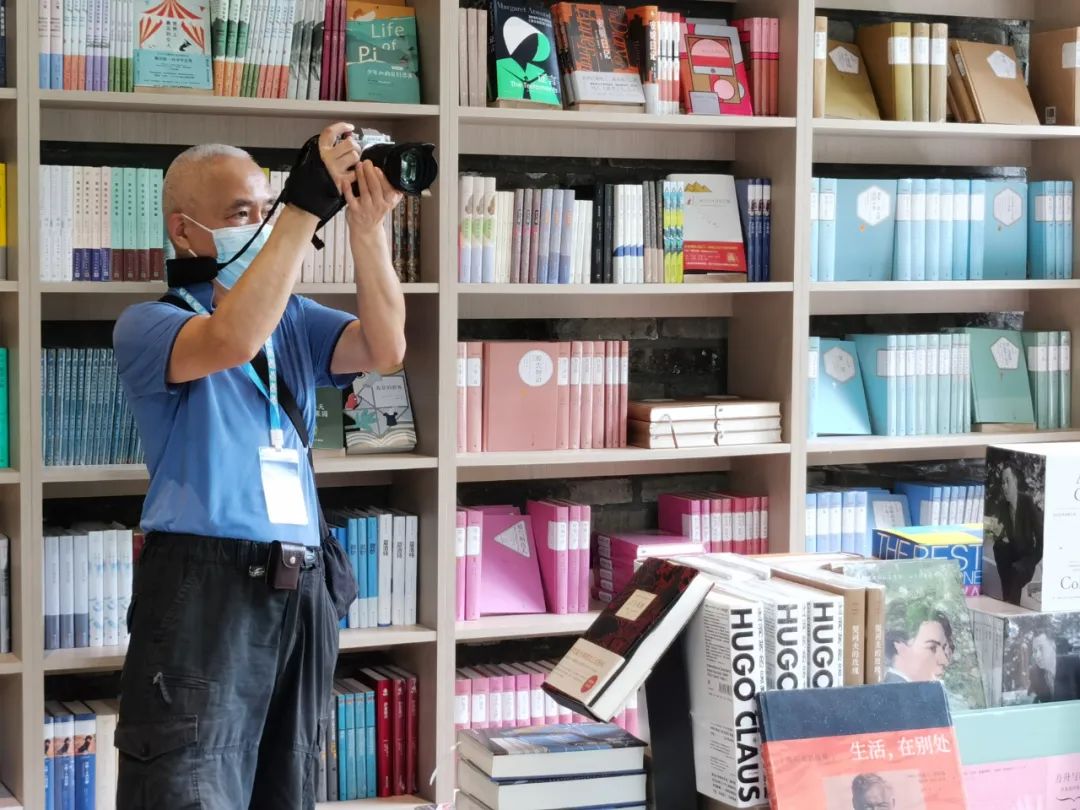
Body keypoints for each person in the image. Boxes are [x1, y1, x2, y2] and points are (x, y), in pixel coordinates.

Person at [111, 123, 406, 810]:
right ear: (185, 231)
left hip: (300, 581)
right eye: (242, 213)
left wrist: (367, 230)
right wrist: (301, 209)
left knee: (288, 788)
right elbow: (233, 338)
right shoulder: (148, 324)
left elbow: (386, 347)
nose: (262, 223)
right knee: (189, 788)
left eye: (266, 208)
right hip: (202, 584)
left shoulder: (294, 321)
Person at [984, 464, 1042, 605]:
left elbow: (1041, 539)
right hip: (1013, 554)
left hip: (1026, 559)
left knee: (1016, 570)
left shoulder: (1027, 502)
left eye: (1007, 481)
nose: (1004, 486)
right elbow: (997, 534)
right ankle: (1008, 599)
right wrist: (996, 533)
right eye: (1002, 482)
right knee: (999, 547)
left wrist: (1031, 561)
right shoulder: (1003, 505)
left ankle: (1010, 603)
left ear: (1015, 482)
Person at [883, 600, 954, 684]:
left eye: (944, 649)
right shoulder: (896, 691)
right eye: (932, 648)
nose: (944, 661)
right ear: (899, 646)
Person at [1028, 631, 1080, 703]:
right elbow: (1032, 698)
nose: (1037, 655)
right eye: (1035, 651)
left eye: (1041, 648)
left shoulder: (1075, 664)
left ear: (1053, 646)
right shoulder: (1035, 673)